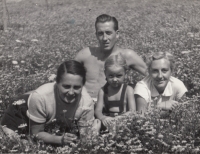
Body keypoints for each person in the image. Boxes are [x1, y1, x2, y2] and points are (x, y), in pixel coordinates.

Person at [1, 60, 97, 145]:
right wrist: (60, 140)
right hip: (22, 110)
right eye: (66, 86)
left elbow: (85, 138)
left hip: (51, 118)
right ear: (57, 83)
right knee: (20, 142)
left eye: (77, 87)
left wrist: (89, 134)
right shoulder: (40, 97)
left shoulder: (86, 102)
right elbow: (36, 133)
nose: (71, 92)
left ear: (83, 85)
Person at [75, 14, 147, 101]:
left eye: (108, 33)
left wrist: (136, 89)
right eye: (100, 33)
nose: (105, 38)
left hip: (110, 105)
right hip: (84, 102)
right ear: (96, 35)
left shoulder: (127, 55)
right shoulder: (86, 54)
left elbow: (152, 74)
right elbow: (67, 74)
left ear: (117, 34)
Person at [95, 54, 136, 129]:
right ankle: (93, 139)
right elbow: (98, 111)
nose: (114, 79)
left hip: (123, 121)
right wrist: (103, 118)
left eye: (118, 76)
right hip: (107, 121)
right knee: (96, 124)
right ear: (105, 74)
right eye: (110, 76)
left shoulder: (128, 90)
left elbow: (132, 111)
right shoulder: (103, 91)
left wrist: (119, 118)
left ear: (125, 74)